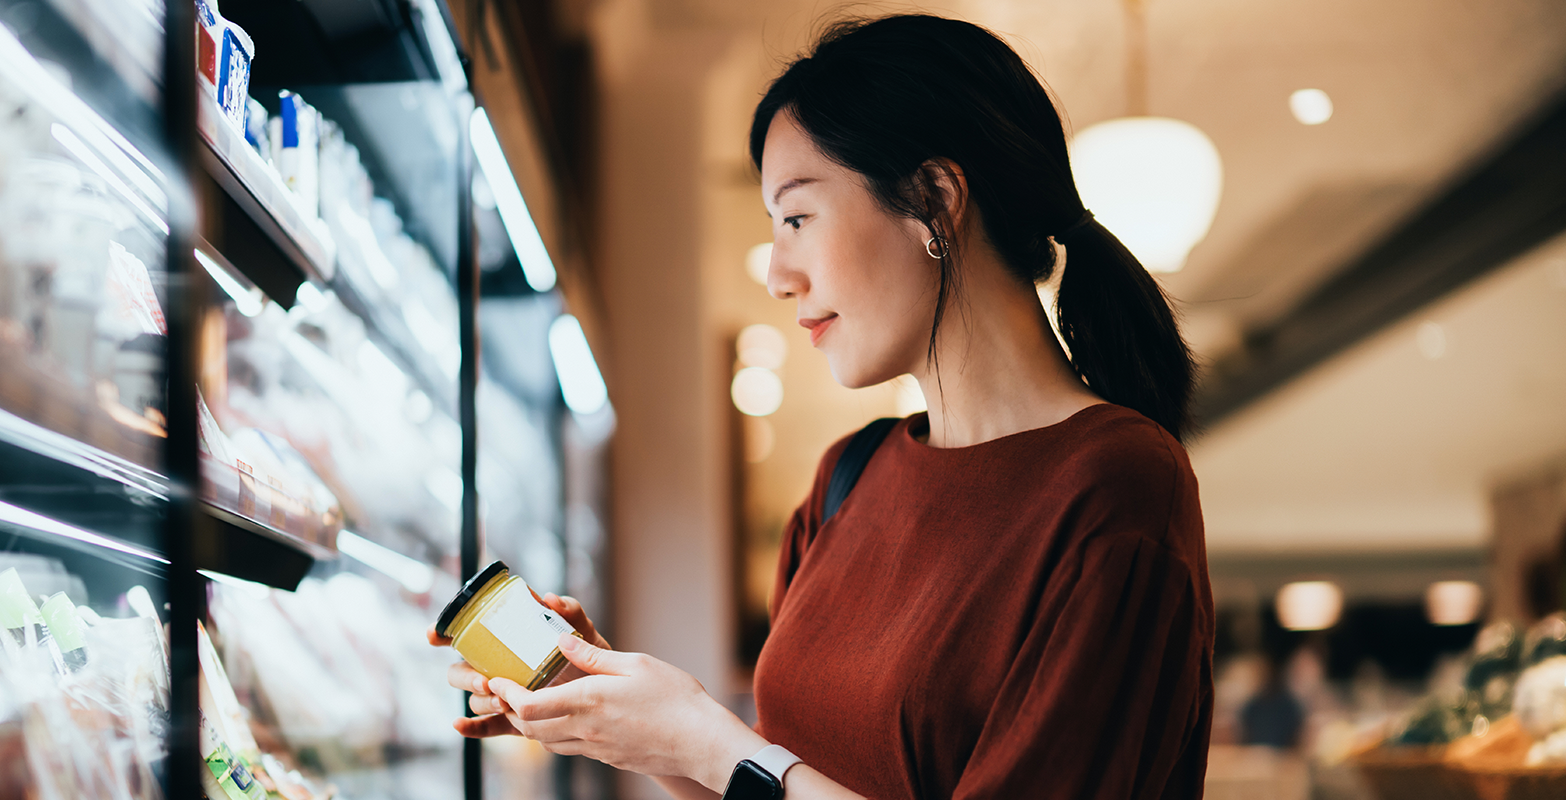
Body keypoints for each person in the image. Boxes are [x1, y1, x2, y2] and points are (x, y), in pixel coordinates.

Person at [429, 13, 1214, 800]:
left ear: (935, 200)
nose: (778, 274)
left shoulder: (1115, 485)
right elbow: (772, 786)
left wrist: (709, 739)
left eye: (798, 217)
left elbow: (759, 772)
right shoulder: (852, 475)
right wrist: (645, 730)